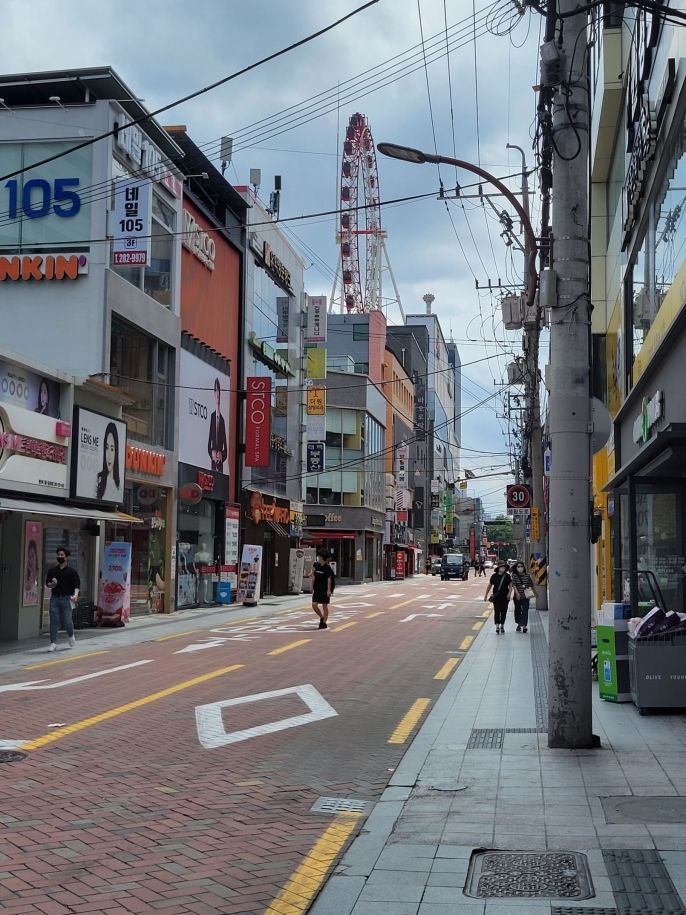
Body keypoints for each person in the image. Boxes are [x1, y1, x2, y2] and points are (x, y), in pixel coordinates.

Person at [45, 547, 80, 652]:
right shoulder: (52, 571)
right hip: (55, 598)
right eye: (58, 555)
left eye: (62, 555)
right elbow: (48, 584)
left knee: (67, 620)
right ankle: (53, 642)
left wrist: (75, 595)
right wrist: (52, 584)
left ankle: (70, 635)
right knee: (54, 621)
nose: (59, 557)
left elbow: (77, 585)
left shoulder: (72, 571)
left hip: (67, 598)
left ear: (66, 557)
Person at [95, 422, 122, 501]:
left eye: (112, 449)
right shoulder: (99, 479)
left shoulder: (118, 486)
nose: (109, 456)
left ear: (116, 452)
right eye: (107, 448)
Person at [484, 560, 512, 634]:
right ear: (498, 568)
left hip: (505, 597)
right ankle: (497, 626)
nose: (502, 568)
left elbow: (510, 585)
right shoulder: (494, 576)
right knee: (497, 611)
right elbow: (489, 585)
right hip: (496, 597)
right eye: (501, 567)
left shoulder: (507, 576)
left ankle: (502, 625)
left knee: (504, 611)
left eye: (504, 567)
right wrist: (486, 595)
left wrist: (509, 594)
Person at [311, 549, 335, 629]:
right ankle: (321, 617)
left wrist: (329, 590)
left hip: (324, 589)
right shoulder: (316, 566)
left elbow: (329, 579)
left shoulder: (327, 568)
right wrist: (311, 585)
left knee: (325, 605)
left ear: (322, 557)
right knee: (314, 605)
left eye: (319, 556)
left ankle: (324, 622)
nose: (318, 557)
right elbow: (314, 576)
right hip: (317, 589)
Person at [208, 377, 228, 472]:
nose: (217, 394)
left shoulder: (223, 420)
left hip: (220, 461)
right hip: (212, 459)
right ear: (213, 394)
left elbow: (225, 443)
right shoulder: (211, 417)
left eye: (219, 391)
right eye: (215, 391)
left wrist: (221, 454)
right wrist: (211, 451)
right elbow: (209, 438)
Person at [510, 560, 535, 633]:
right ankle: (518, 624)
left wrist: (531, 592)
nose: (520, 568)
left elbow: (531, 584)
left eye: (521, 567)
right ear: (516, 568)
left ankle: (524, 626)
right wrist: (517, 593)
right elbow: (514, 585)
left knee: (525, 611)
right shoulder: (514, 575)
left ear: (524, 567)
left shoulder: (527, 575)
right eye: (518, 567)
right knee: (517, 611)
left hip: (526, 597)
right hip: (517, 597)